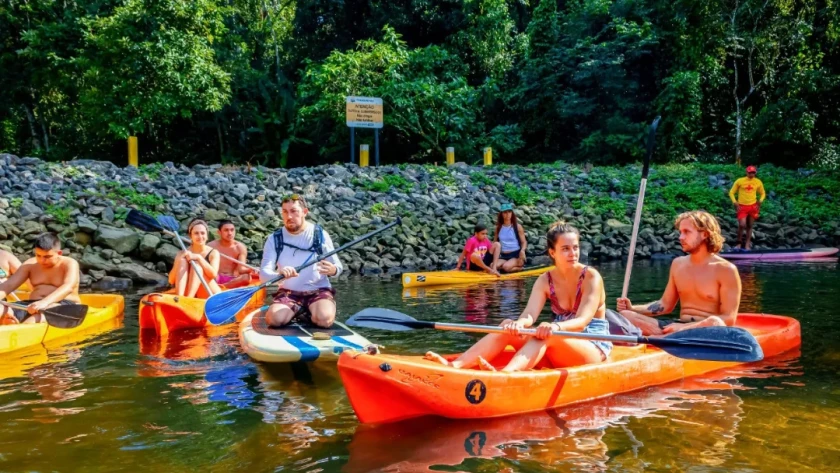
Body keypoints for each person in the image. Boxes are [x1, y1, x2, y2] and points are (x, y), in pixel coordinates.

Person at [426, 221, 612, 371]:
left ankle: (508, 374)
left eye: (575, 247)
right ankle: (455, 365)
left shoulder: (591, 277)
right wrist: (519, 324)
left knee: (549, 334)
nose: (573, 253)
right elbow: (529, 315)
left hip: (592, 348)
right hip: (558, 349)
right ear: (552, 252)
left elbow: (582, 320)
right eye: (565, 249)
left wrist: (553, 326)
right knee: (507, 324)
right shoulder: (544, 280)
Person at [616, 210, 742, 336]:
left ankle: (665, 336)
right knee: (626, 315)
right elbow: (665, 305)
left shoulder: (726, 269)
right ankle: (665, 335)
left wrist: (684, 328)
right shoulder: (678, 264)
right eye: (680, 232)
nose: (681, 237)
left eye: (686, 232)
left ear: (705, 234)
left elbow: (729, 319)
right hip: (677, 324)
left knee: (715, 321)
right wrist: (632, 308)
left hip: (705, 329)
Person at [259, 194, 343, 328]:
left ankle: (312, 311)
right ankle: (299, 311)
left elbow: (338, 267)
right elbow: (263, 275)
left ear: (304, 212)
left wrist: (333, 271)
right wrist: (279, 275)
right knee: (274, 320)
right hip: (289, 293)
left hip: (318, 290)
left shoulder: (320, 235)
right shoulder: (274, 239)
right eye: (285, 212)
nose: (289, 217)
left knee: (324, 320)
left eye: (294, 211)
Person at [0, 233, 80, 324]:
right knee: (2, 309)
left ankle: (23, 326)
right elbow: (8, 285)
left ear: (59, 253)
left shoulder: (69, 263)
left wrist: (44, 302)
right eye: (38, 255)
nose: (42, 260)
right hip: (31, 304)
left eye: (47, 257)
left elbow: (68, 286)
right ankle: (11, 322)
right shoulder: (29, 265)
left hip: (63, 304)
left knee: (34, 319)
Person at [169, 219, 222, 297]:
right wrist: (178, 261)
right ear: (191, 236)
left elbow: (213, 275)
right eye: (196, 233)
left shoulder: (213, 253)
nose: (200, 236)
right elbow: (171, 280)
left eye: (203, 233)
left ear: (207, 236)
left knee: (197, 265)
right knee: (183, 261)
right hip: (186, 291)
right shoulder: (182, 253)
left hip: (207, 290)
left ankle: (189, 298)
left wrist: (199, 258)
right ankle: (180, 297)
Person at [208, 220, 255, 289]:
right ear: (219, 232)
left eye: (232, 230)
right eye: (226, 230)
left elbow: (241, 269)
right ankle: (218, 286)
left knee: (246, 277)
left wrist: (251, 270)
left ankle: (223, 287)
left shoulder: (240, 247)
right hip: (216, 277)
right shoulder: (211, 246)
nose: (230, 233)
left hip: (232, 279)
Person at [728, 165, 766, 250]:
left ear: (755, 173)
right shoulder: (740, 181)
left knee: (750, 225)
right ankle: (738, 243)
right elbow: (731, 192)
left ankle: (747, 245)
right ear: (746, 172)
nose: (751, 174)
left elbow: (763, 193)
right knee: (742, 224)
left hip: (753, 206)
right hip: (742, 206)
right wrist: (735, 202)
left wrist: (760, 201)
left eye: (753, 172)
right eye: (750, 172)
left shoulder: (758, 182)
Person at [493, 203, 527, 273]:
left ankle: (519, 268)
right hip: (503, 256)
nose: (508, 214)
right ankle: (507, 267)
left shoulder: (517, 227)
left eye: (509, 212)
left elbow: (524, 242)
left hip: (515, 255)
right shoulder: (498, 228)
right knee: (492, 265)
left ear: (512, 213)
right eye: (505, 212)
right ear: (502, 214)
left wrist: (522, 250)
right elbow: (494, 242)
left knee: (505, 267)